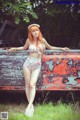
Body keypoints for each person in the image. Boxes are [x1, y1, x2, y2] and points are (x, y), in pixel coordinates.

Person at [8, 23, 69, 117]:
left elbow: (51, 47)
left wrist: (62, 48)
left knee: (32, 84)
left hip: (37, 64)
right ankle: (30, 106)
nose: (35, 32)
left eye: (36, 30)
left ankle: (29, 105)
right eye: (33, 31)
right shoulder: (29, 40)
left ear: (39, 31)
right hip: (28, 63)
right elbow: (24, 48)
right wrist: (15, 49)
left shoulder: (43, 41)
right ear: (30, 33)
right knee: (27, 84)